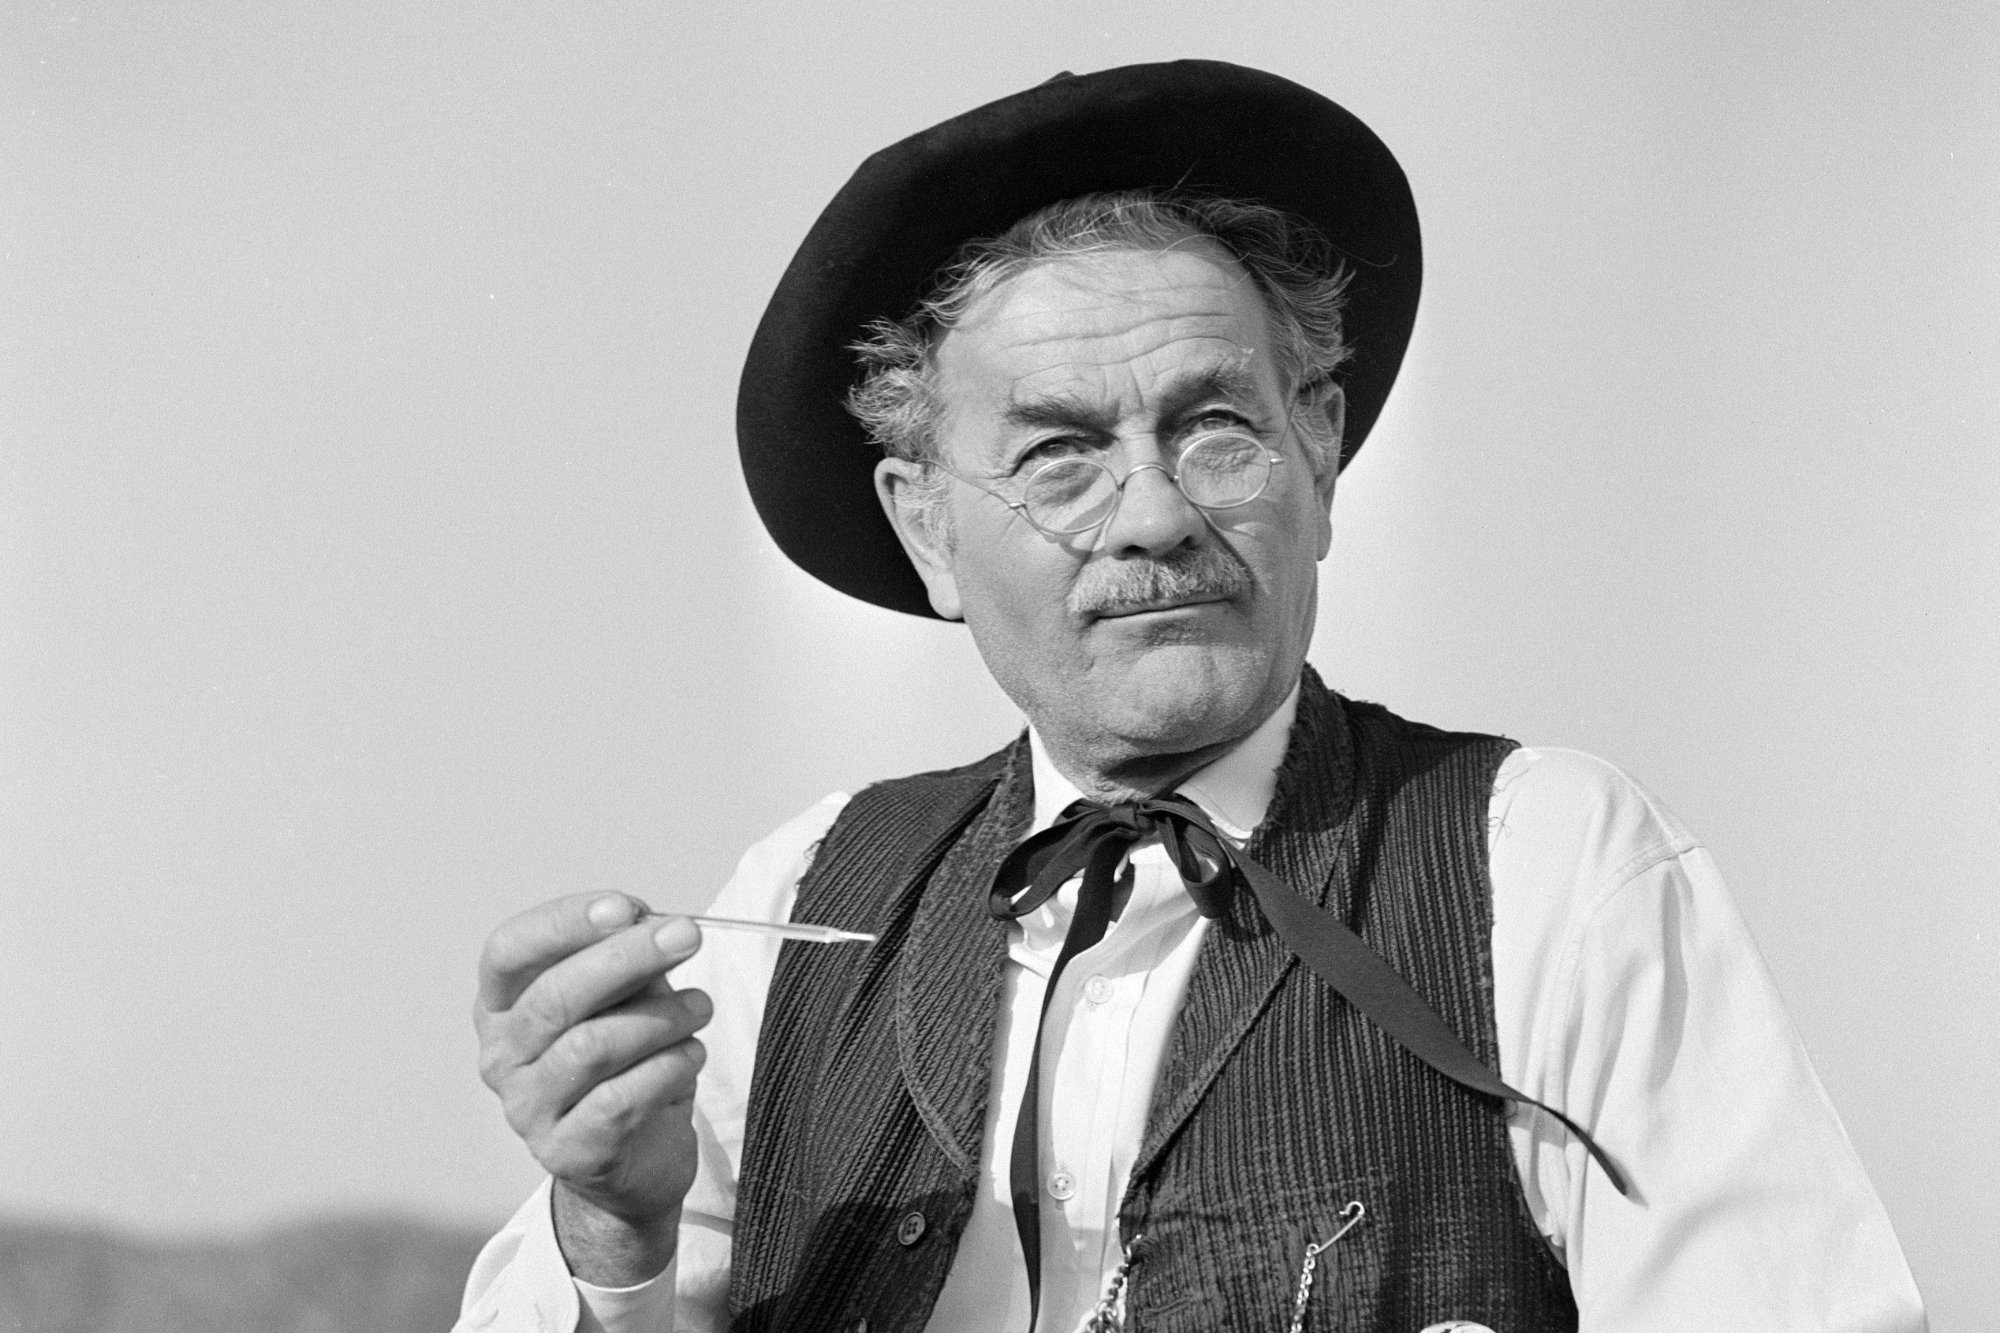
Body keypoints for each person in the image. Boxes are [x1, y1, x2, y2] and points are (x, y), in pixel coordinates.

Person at [455, 62, 1926, 1333]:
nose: (1153, 516)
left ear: (1321, 454)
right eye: (1059, 455)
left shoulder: (1551, 867)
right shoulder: (797, 898)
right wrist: (614, 1242)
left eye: (1216, 426)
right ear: (925, 527)